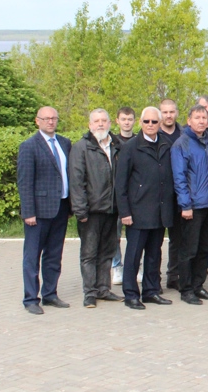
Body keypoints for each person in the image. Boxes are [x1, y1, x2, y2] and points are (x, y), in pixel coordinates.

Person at [114, 106, 175, 309]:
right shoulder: (130, 147)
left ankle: (151, 291)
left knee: (154, 254)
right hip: (138, 211)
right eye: (146, 121)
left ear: (159, 124)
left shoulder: (167, 144)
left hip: (160, 210)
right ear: (140, 123)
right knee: (133, 255)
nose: (150, 125)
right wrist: (125, 212)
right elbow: (120, 183)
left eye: (154, 122)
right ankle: (131, 294)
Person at [17, 106, 72, 314]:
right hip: (38, 212)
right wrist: (28, 212)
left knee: (54, 254)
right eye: (46, 118)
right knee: (32, 256)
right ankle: (31, 299)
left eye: (54, 118)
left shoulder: (65, 143)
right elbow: (25, 182)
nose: (50, 122)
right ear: (37, 121)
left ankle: (50, 294)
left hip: (61, 207)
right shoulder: (29, 146)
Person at [69, 108, 123, 308]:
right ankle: (90, 293)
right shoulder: (81, 147)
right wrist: (80, 210)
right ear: (89, 125)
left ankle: (103, 289)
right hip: (91, 211)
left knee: (108, 252)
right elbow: (77, 181)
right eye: (96, 121)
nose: (100, 124)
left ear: (110, 123)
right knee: (89, 253)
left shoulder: (117, 146)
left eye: (104, 121)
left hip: (112, 210)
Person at [171, 104, 208, 305]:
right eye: (197, 117)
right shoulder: (181, 144)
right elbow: (179, 177)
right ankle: (186, 289)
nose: (201, 121)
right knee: (188, 250)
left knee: (203, 249)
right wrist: (185, 204)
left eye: (204, 117)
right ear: (189, 120)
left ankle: (198, 286)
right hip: (192, 206)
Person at [111, 106, 136, 285]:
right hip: (115, 194)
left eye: (129, 119)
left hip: (135, 195)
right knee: (115, 233)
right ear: (117, 121)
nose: (126, 122)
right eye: (123, 119)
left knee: (135, 234)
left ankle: (136, 265)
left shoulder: (138, 141)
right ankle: (116, 266)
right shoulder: (111, 142)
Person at [160, 98, 183, 290]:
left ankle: (174, 275)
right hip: (159, 195)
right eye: (165, 112)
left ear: (176, 113)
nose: (168, 115)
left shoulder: (184, 134)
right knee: (155, 240)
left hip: (180, 194)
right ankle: (153, 279)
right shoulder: (153, 134)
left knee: (178, 238)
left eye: (171, 111)